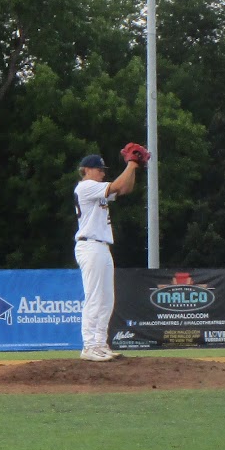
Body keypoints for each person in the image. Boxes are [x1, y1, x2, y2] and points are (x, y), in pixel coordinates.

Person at [75, 150, 141, 361]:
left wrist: (134, 167)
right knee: (94, 297)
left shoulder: (95, 188)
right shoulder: (86, 186)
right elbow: (116, 185)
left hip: (101, 246)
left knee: (106, 299)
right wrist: (131, 164)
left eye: (103, 170)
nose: (102, 173)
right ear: (86, 170)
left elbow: (125, 188)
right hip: (90, 245)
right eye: (99, 169)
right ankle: (89, 346)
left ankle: (100, 343)